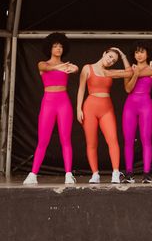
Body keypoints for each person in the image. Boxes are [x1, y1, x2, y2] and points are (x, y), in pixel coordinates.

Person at [23, 32, 78, 185]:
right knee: (43, 140)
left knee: (65, 139)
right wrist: (65, 66)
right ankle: (33, 174)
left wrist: (74, 68)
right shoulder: (43, 64)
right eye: (55, 46)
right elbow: (46, 67)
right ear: (49, 48)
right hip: (48, 102)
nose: (58, 48)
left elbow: (76, 69)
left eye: (60, 46)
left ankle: (68, 174)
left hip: (63, 102)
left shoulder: (67, 66)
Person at [103, 42, 152, 184]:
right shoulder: (130, 70)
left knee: (146, 138)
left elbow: (133, 73)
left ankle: (146, 174)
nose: (139, 55)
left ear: (147, 54)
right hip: (130, 105)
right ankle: (129, 173)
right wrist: (134, 74)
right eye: (136, 52)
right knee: (128, 140)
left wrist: (133, 72)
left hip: (146, 105)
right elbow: (128, 89)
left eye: (142, 52)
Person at [77, 47, 131, 184]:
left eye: (114, 60)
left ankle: (115, 172)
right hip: (89, 108)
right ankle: (95, 174)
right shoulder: (87, 68)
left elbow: (129, 72)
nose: (111, 60)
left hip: (106, 108)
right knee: (91, 143)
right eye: (110, 56)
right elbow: (81, 89)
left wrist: (123, 55)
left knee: (112, 140)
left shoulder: (110, 72)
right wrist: (78, 109)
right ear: (104, 53)